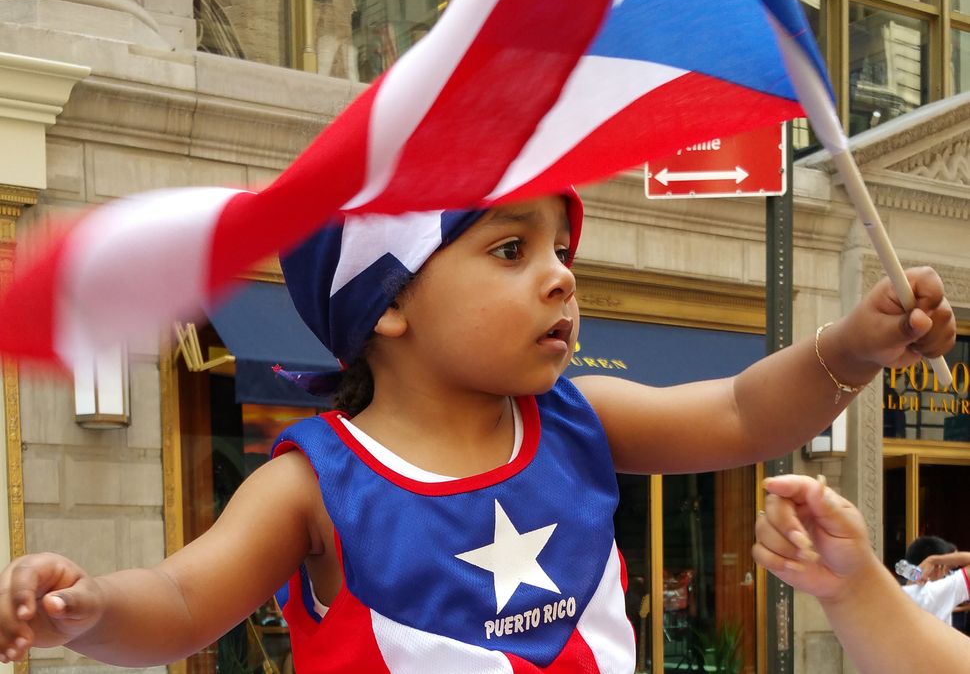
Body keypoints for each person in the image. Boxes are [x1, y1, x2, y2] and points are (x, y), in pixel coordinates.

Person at [0, 192, 955, 670]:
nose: (561, 276)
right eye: (510, 249)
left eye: (561, 249)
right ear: (387, 305)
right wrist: (88, 611)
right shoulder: (313, 483)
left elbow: (745, 411)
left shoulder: (580, 418)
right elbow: (178, 598)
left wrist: (854, 349)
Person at [754, 475, 970, 674]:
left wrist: (851, 583)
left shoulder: (904, 591)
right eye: (948, 565)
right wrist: (937, 560)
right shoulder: (937, 590)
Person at [898, 535, 970, 626]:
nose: (946, 574)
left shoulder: (898, 594)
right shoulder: (934, 592)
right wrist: (932, 560)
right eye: (947, 569)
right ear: (938, 567)